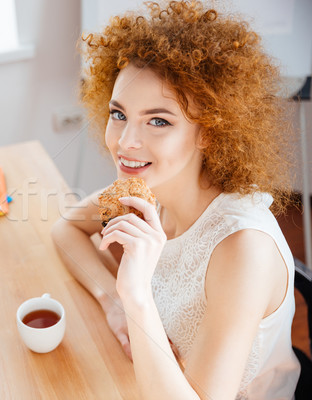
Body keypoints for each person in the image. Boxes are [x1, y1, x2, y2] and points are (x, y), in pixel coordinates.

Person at [51, 1, 301, 398]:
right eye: (119, 114)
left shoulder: (242, 249)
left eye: (159, 121)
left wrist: (133, 298)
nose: (125, 142)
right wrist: (111, 302)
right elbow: (66, 227)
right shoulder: (151, 187)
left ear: (210, 131)